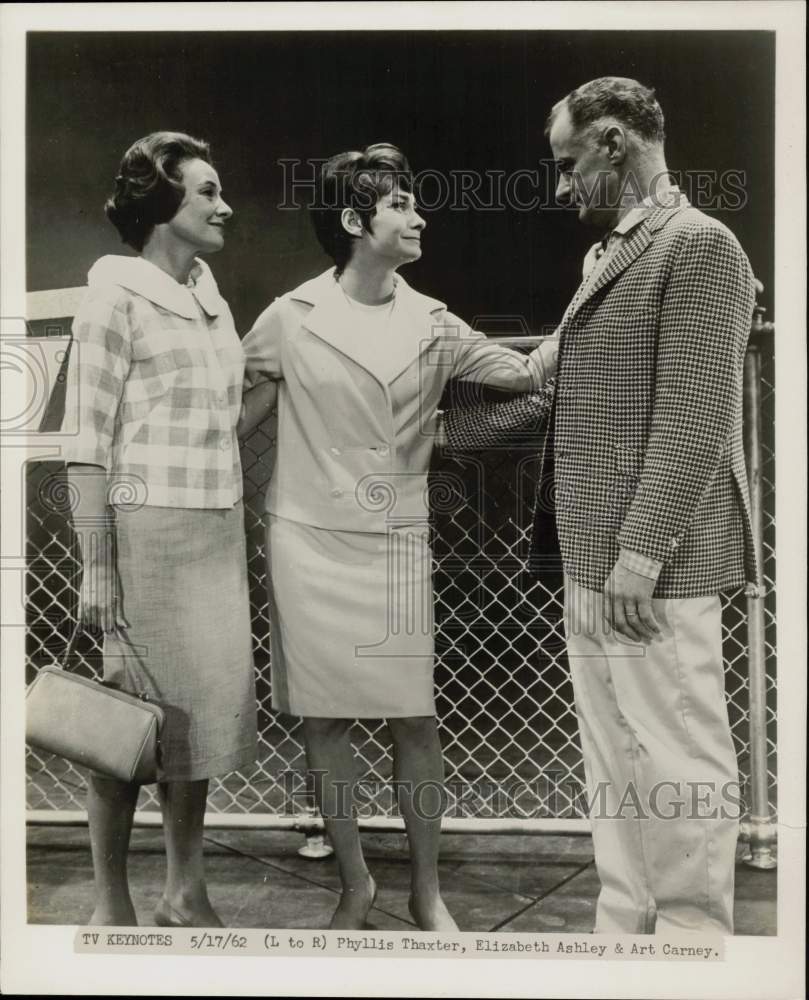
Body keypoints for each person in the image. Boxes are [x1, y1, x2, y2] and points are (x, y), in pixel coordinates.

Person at [443, 78, 759, 934]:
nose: (558, 187)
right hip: (588, 552)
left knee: (677, 752)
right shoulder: (609, 254)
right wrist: (434, 436)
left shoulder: (699, 245)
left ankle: (694, 945)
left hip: (650, 561)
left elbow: (696, 418)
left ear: (614, 142)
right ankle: (625, 930)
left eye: (566, 163)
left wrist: (641, 554)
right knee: (613, 755)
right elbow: (562, 391)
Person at [240, 143, 557, 931]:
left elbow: (525, 375)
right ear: (354, 220)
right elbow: (228, 415)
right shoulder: (288, 316)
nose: (419, 217)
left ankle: (426, 890)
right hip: (307, 541)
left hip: (391, 543)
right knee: (324, 723)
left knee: (415, 718)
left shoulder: (433, 321)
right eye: (401, 205)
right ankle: (356, 886)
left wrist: (597, 303)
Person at [63, 131, 258, 928]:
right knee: (124, 729)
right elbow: (85, 442)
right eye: (207, 192)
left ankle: (185, 891)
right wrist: (96, 567)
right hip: (143, 537)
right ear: (163, 204)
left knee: (195, 726)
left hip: (214, 534)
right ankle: (111, 903)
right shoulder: (113, 294)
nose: (224, 206)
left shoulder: (209, 292)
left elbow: (223, 420)